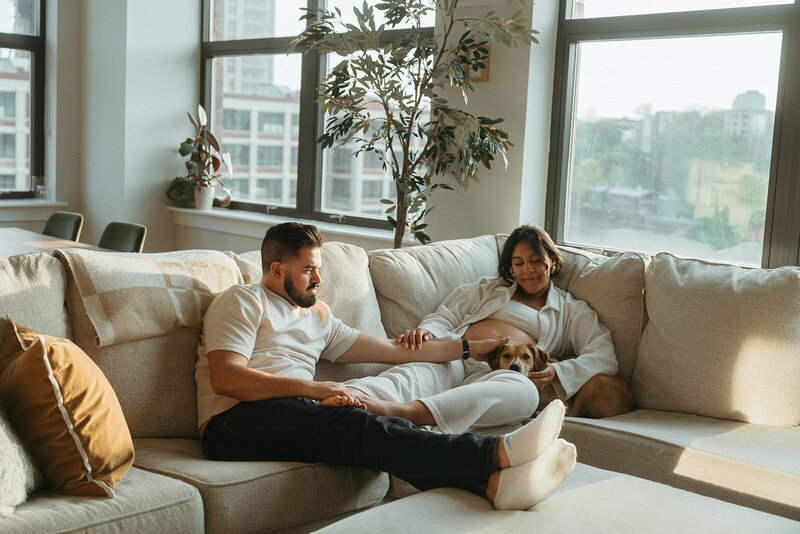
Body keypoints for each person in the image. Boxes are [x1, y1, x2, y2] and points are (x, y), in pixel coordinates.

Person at [195, 222, 577, 511]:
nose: (319, 279)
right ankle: (495, 452)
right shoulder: (244, 302)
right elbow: (226, 378)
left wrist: (465, 348)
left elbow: (394, 351)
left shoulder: (318, 317)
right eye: (309, 270)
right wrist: (314, 389)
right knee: (360, 423)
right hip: (232, 423)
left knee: (373, 431)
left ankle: (491, 487)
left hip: (293, 413)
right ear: (277, 270)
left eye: (320, 268)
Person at [344, 224, 633, 432]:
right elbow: (445, 315)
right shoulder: (487, 289)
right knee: (408, 377)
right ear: (510, 267)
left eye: (536, 261)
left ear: (552, 263)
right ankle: (335, 400)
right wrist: (428, 331)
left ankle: (410, 416)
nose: (527, 270)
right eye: (518, 263)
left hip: (505, 376)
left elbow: (604, 356)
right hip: (456, 354)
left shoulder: (571, 311)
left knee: (523, 396)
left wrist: (559, 371)